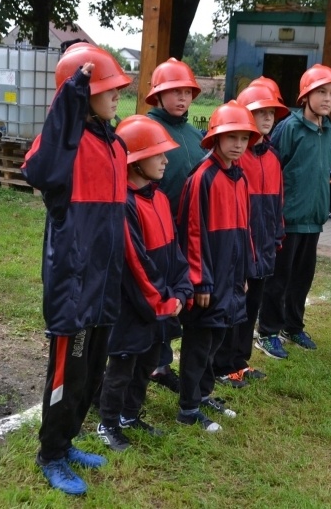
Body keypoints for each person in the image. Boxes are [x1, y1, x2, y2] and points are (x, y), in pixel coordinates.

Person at [22, 43, 131, 496]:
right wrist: (68, 102)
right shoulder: (63, 148)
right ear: (82, 94)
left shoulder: (116, 145)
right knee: (68, 373)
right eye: (107, 89)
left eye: (118, 88)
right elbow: (38, 171)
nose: (117, 96)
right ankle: (50, 453)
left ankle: (67, 442)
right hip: (74, 283)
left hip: (105, 281)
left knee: (91, 373)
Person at [96, 116, 193, 452]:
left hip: (161, 304)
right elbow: (136, 265)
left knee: (148, 363)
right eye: (158, 154)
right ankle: (108, 423)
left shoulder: (160, 198)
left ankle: (129, 415)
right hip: (134, 307)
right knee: (123, 366)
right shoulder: (124, 205)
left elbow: (175, 253)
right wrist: (163, 301)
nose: (166, 160)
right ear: (136, 161)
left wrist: (181, 289)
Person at [175, 101, 258, 431]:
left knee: (216, 340)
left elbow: (245, 228)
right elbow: (192, 232)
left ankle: (204, 393)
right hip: (208, 280)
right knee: (199, 343)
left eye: (244, 138)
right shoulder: (203, 178)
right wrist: (200, 280)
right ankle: (188, 407)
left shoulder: (240, 177)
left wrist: (244, 272)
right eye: (232, 137)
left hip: (230, 277)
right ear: (216, 138)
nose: (238, 144)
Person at [255, 64, 331, 359]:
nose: (328, 99)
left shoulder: (329, 130)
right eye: (321, 92)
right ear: (305, 95)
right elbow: (272, 169)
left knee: (302, 278)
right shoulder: (289, 128)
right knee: (278, 279)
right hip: (288, 219)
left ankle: (293, 326)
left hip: (313, 220)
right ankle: (267, 332)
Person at [212, 84, 288, 388]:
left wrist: (277, 235)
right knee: (233, 308)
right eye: (260, 112)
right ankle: (221, 364)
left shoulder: (273, 157)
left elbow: (277, 201)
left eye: (271, 113)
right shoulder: (235, 158)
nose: (268, 118)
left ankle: (240, 362)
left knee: (251, 306)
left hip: (264, 248)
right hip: (241, 249)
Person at [144, 58, 206, 394]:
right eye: (174, 91)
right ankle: (152, 363)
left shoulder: (196, 135)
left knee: (181, 295)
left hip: (189, 230)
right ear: (158, 94)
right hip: (156, 230)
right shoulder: (147, 128)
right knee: (158, 294)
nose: (182, 98)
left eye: (187, 92)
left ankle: (163, 363)